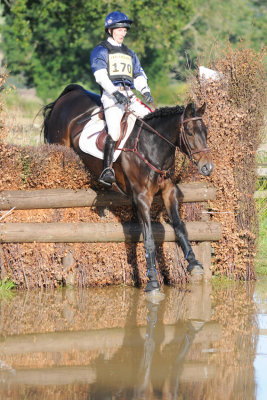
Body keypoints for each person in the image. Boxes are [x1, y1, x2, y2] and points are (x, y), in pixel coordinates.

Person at [90, 11, 154, 187]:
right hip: (111, 97)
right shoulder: (101, 50)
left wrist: (145, 90)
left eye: (125, 30)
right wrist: (114, 92)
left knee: (152, 120)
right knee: (115, 132)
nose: (123, 32)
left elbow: (139, 74)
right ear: (110, 30)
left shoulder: (129, 53)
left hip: (130, 95)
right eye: (119, 29)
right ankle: (107, 169)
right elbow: (100, 76)